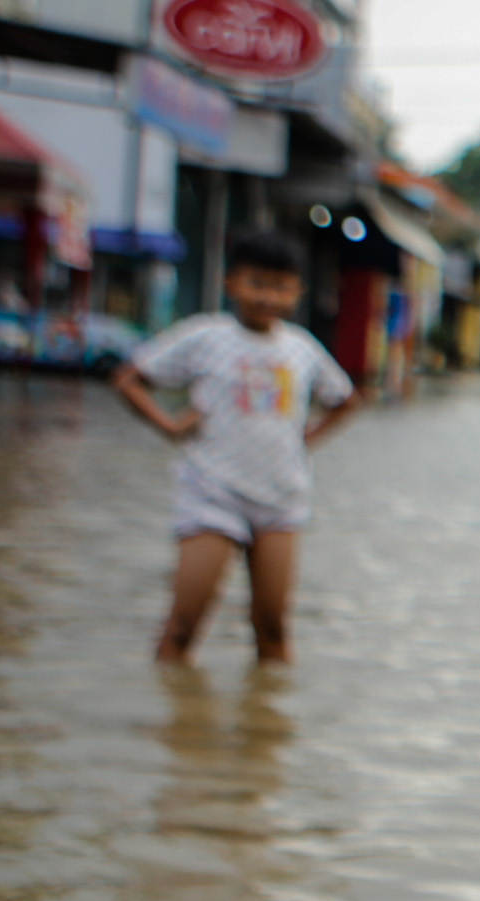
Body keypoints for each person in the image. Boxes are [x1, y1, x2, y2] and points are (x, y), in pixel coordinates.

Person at [112, 231, 361, 666]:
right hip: (212, 493)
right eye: (257, 283)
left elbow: (346, 401)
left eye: (281, 286)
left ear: (297, 291)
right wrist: (169, 426)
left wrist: (305, 439)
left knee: (274, 629)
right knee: (183, 627)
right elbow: (129, 379)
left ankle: (268, 728)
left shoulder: (302, 348)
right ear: (232, 283)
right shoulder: (205, 336)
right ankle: (176, 726)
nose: (268, 296)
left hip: (281, 498)